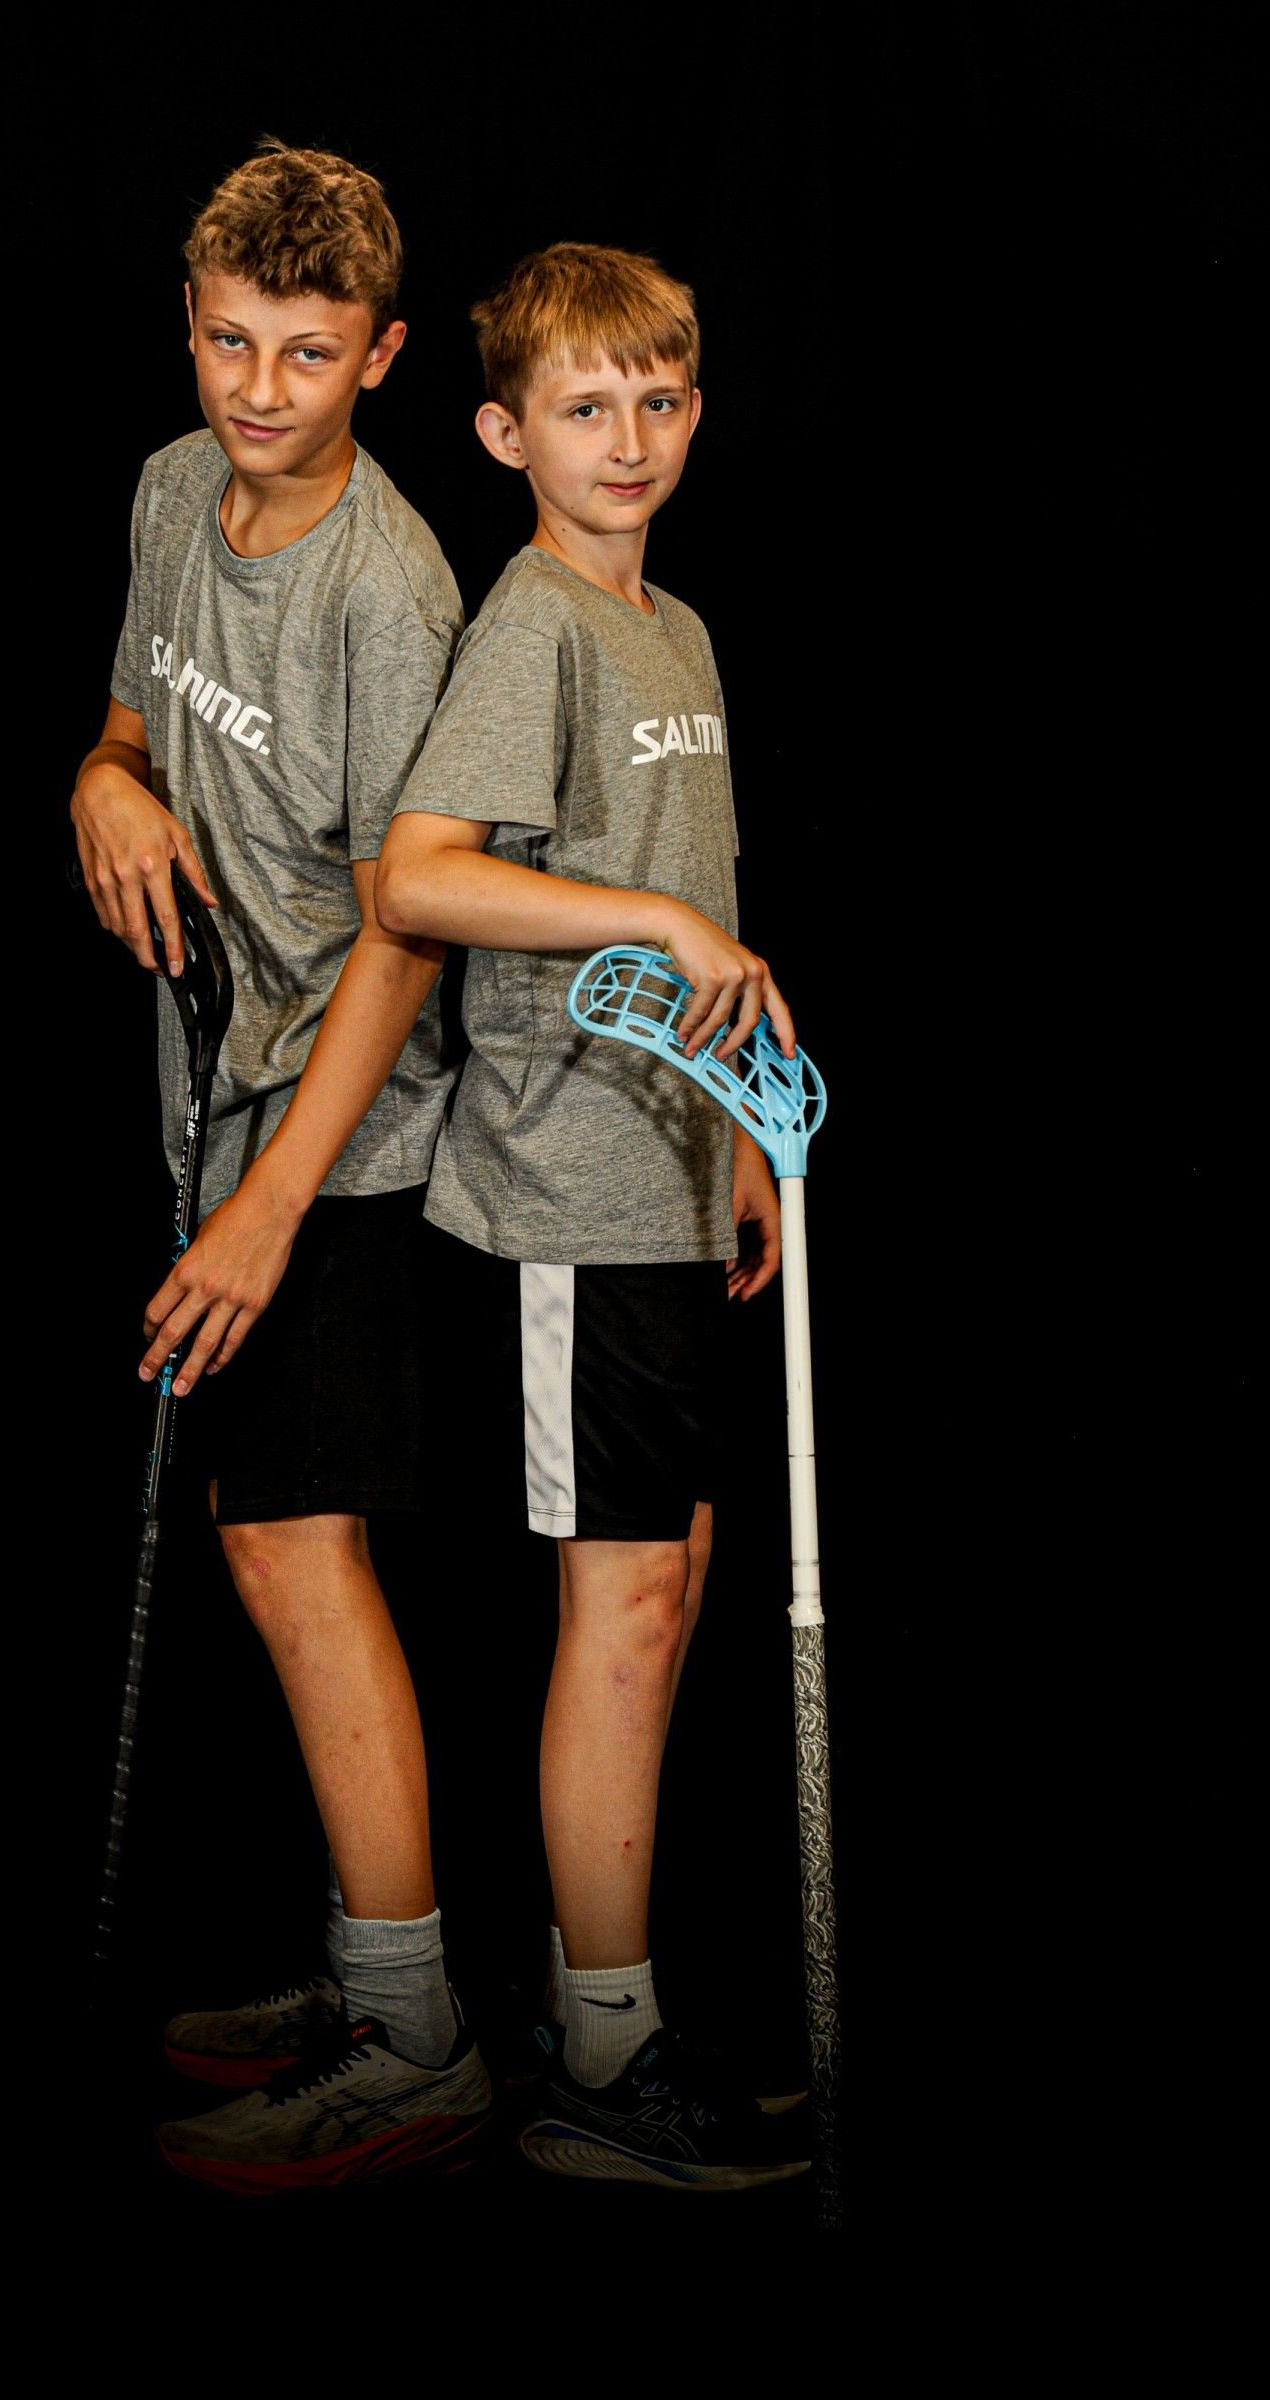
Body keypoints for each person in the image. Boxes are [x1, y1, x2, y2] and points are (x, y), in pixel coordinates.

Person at [69, 139, 490, 2193]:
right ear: (191, 323)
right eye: (230, 342)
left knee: (298, 1550)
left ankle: (415, 2043)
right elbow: (131, 728)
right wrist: (99, 780)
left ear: (380, 357)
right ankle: (359, 1972)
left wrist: (266, 1209)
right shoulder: (174, 488)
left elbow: (409, 936)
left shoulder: (389, 591)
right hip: (216, 1107)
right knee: (263, 1545)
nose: (260, 390)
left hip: (350, 1133)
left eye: (307, 355)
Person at [374, 241, 812, 2189]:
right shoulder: (533, 623)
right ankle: (602, 2068)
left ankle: (609, 2012)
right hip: (559, 1190)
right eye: (581, 406)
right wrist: (645, 917)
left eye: (655, 399)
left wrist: (736, 1137)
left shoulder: (674, 628)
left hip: (667, 1182)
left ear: (694, 409)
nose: (624, 437)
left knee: (669, 1585)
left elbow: (689, 921)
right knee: (620, 1608)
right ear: (505, 434)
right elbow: (421, 879)